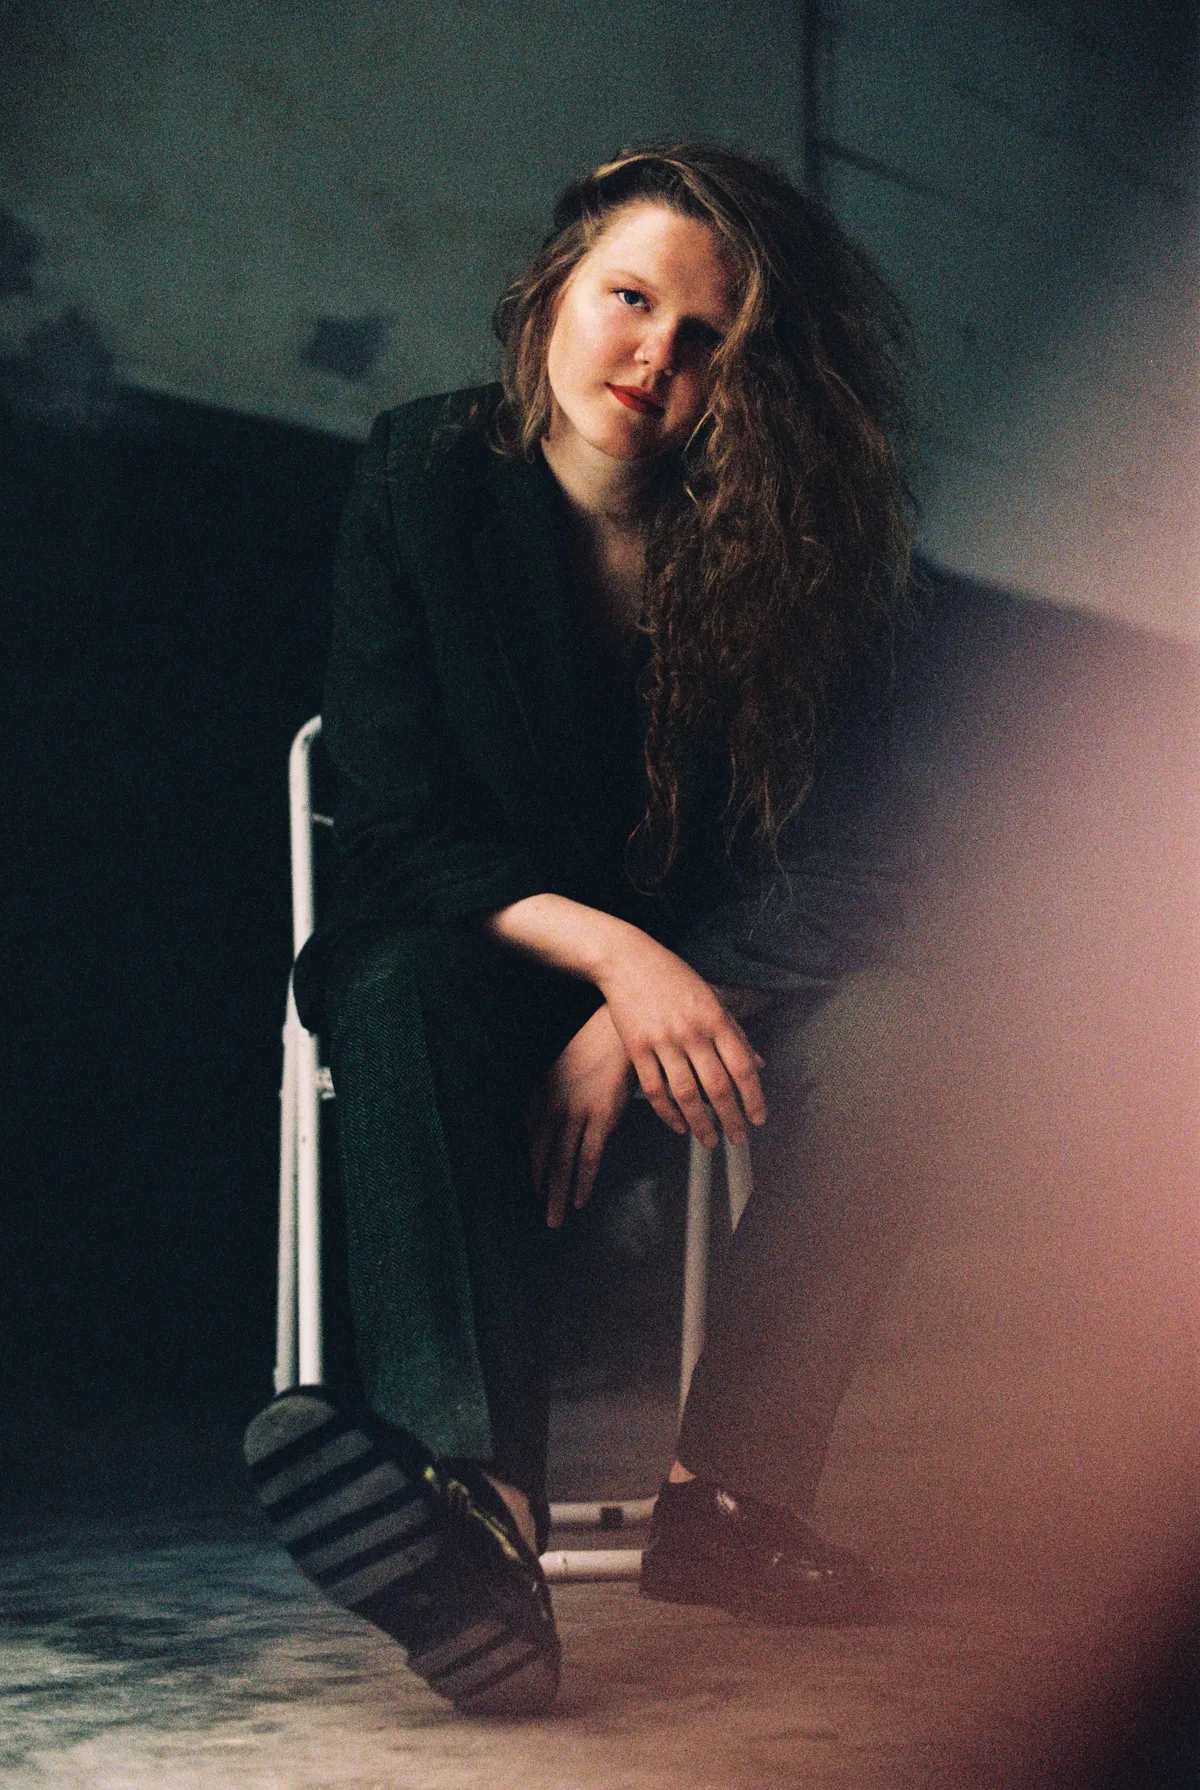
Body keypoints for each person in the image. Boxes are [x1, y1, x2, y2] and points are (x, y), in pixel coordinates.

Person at [244, 143, 941, 1718]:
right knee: (394, 980)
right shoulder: (424, 473)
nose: (654, 357)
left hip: (713, 972)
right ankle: (479, 1515)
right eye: (630, 299)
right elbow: (395, 819)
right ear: (553, 289)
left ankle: (731, 1498)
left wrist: (652, 1004)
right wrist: (618, 962)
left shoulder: (790, 545)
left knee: (914, 1024)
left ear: (749, 378)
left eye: (706, 340)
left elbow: (860, 857)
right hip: (482, 950)